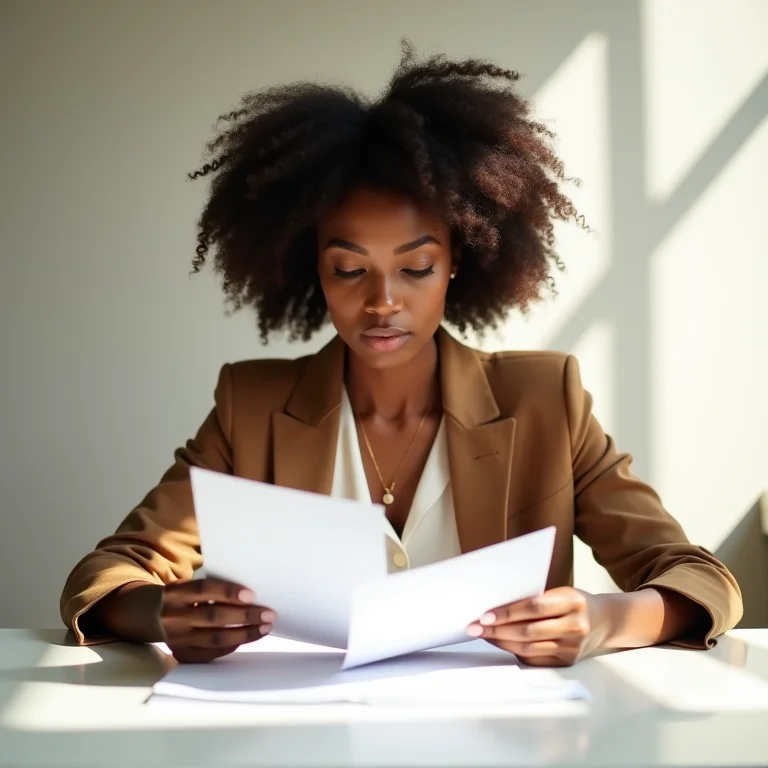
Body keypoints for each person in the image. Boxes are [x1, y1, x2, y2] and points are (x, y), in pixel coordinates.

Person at [60, 43, 742, 667]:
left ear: (458, 265)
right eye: (349, 270)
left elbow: (700, 577)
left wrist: (603, 619)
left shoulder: (545, 401)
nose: (382, 301)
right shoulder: (254, 407)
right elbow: (109, 573)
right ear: (314, 274)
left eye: (415, 268)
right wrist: (165, 612)